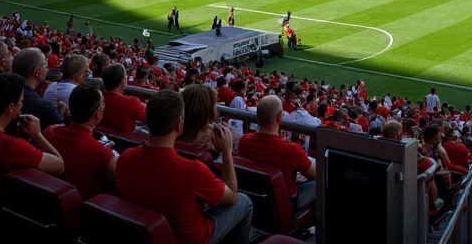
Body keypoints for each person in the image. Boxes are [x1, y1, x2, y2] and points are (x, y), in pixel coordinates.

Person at [116, 88, 252, 244]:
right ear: (179, 125)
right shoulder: (193, 170)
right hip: (190, 237)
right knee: (244, 201)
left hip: (144, 233)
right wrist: (227, 151)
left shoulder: (125, 157)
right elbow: (232, 197)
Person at [0, 72, 64, 175]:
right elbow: (59, 166)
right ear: (11, 108)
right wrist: (37, 135)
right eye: (21, 101)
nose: (21, 105)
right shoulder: (12, 147)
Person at [238, 94, 316, 208]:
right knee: (321, 184)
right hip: (284, 206)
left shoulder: (244, 141)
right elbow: (315, 175)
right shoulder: (292, 150)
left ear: (258, 116)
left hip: (255, 202)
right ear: (280, 117)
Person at [43, 80, 117, 200]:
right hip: (85, 212)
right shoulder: (100, 152)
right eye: (103, 102)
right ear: (97, 113)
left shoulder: (49, 132)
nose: (104, 104)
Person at [100, 62, 147, 133]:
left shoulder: (97, 98)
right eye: (126, 76)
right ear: (122, 81)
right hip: (125, 142)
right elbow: (152, 118)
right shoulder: (131, 102)